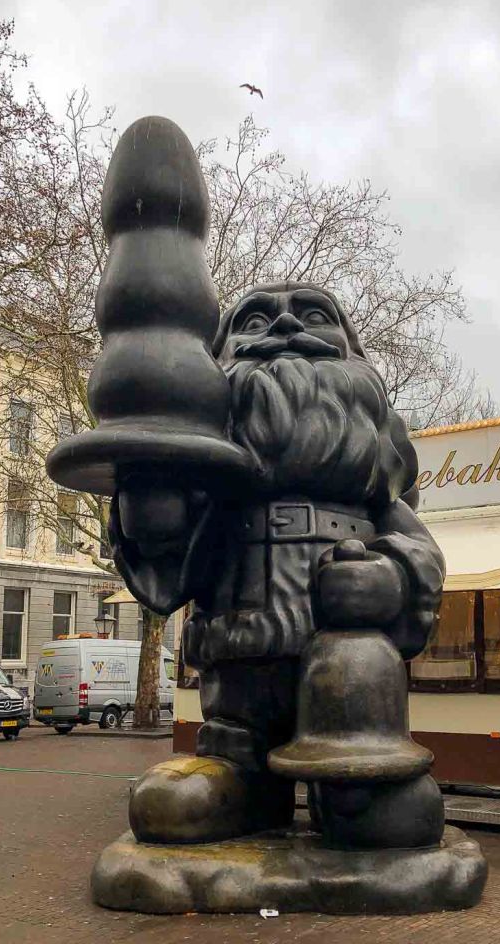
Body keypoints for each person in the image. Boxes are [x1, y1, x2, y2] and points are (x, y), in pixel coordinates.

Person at [110, 282, 445, 843]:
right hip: (236, 696)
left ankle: (355, 790)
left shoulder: (372, 492)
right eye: (257, 321)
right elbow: (166, 576)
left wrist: (388, 577)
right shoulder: (213, 490)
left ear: (352, 352)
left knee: (385, 821)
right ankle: (242, 783)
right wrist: (148, 503)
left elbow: (421, 555)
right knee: (169, 810)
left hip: (353, 707)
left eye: (314, 315)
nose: (287, 329)